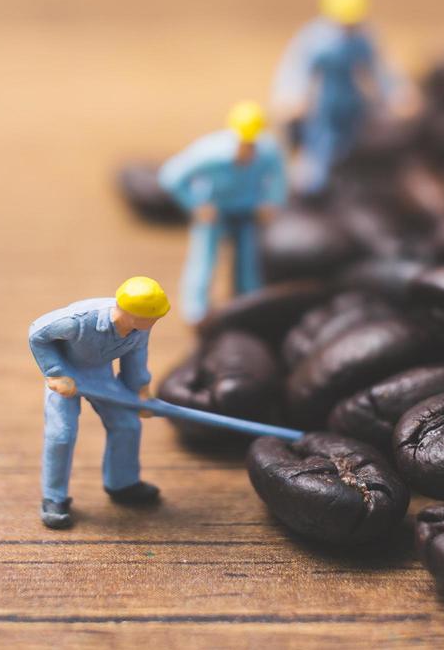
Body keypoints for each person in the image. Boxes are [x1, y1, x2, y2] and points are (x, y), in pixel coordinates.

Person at [28, 276, 171, 529]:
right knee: (61, 435)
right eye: (152, 317)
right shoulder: (79, 321)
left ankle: (122, 483)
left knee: (128, 424)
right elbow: (37, 334)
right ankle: (54, 498)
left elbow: (136, 358)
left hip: (101, 378)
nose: (155, 322)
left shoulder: (140, 330)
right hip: (67, 379)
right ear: (131, 314)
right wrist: (56, 372)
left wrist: (140, 392)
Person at [158, 101, 287, 324]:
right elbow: (171, 175)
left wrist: (271, 202)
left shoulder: (268, 150)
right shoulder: (211, 152)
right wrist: (195, 205)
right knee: (204, 260)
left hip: (248, 211)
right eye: (243, 142)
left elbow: (280, 177)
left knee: (248, 261)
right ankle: (195, 312)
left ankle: (249, 303)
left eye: (252, 142)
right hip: (216, 211)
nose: (248, 148)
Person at [271, 0, 400, 195]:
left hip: (354, 101)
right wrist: (292, 97)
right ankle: (309, 190)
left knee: (362, 147)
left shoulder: (365, 37)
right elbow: (295, 69)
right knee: (320, 151)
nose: (349, 25)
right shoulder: (315, 38)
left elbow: (380, 70)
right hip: (325, 105)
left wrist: (396, 93)